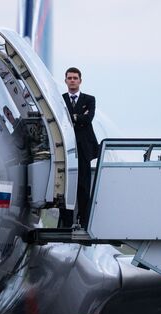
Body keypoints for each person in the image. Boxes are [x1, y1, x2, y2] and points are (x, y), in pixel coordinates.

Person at [60, 67, 99, 228]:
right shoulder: (60, 99)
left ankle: (83, 221)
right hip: (66, 148)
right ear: (65, 81)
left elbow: (88, 118)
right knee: (64, 185)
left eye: (75, 78)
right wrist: (78, 117)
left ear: (80, 81)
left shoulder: (89, 99)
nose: (72, 80)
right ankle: (66, 222)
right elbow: (64, 118)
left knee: (83, 186)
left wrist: (73, 117)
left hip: (84, 149)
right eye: (69, 78)